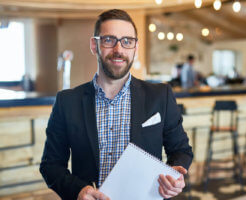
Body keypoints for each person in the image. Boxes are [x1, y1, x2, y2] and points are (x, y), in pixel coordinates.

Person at [40, 9, 193, 200]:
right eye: (109, 40)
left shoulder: (160, 96)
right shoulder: (66, 102)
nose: (118, 50)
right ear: (94, 45)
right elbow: (50, 165)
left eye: (127, 41)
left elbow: (181, 150)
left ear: (135, 48)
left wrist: (175, 175)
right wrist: (77, 191)